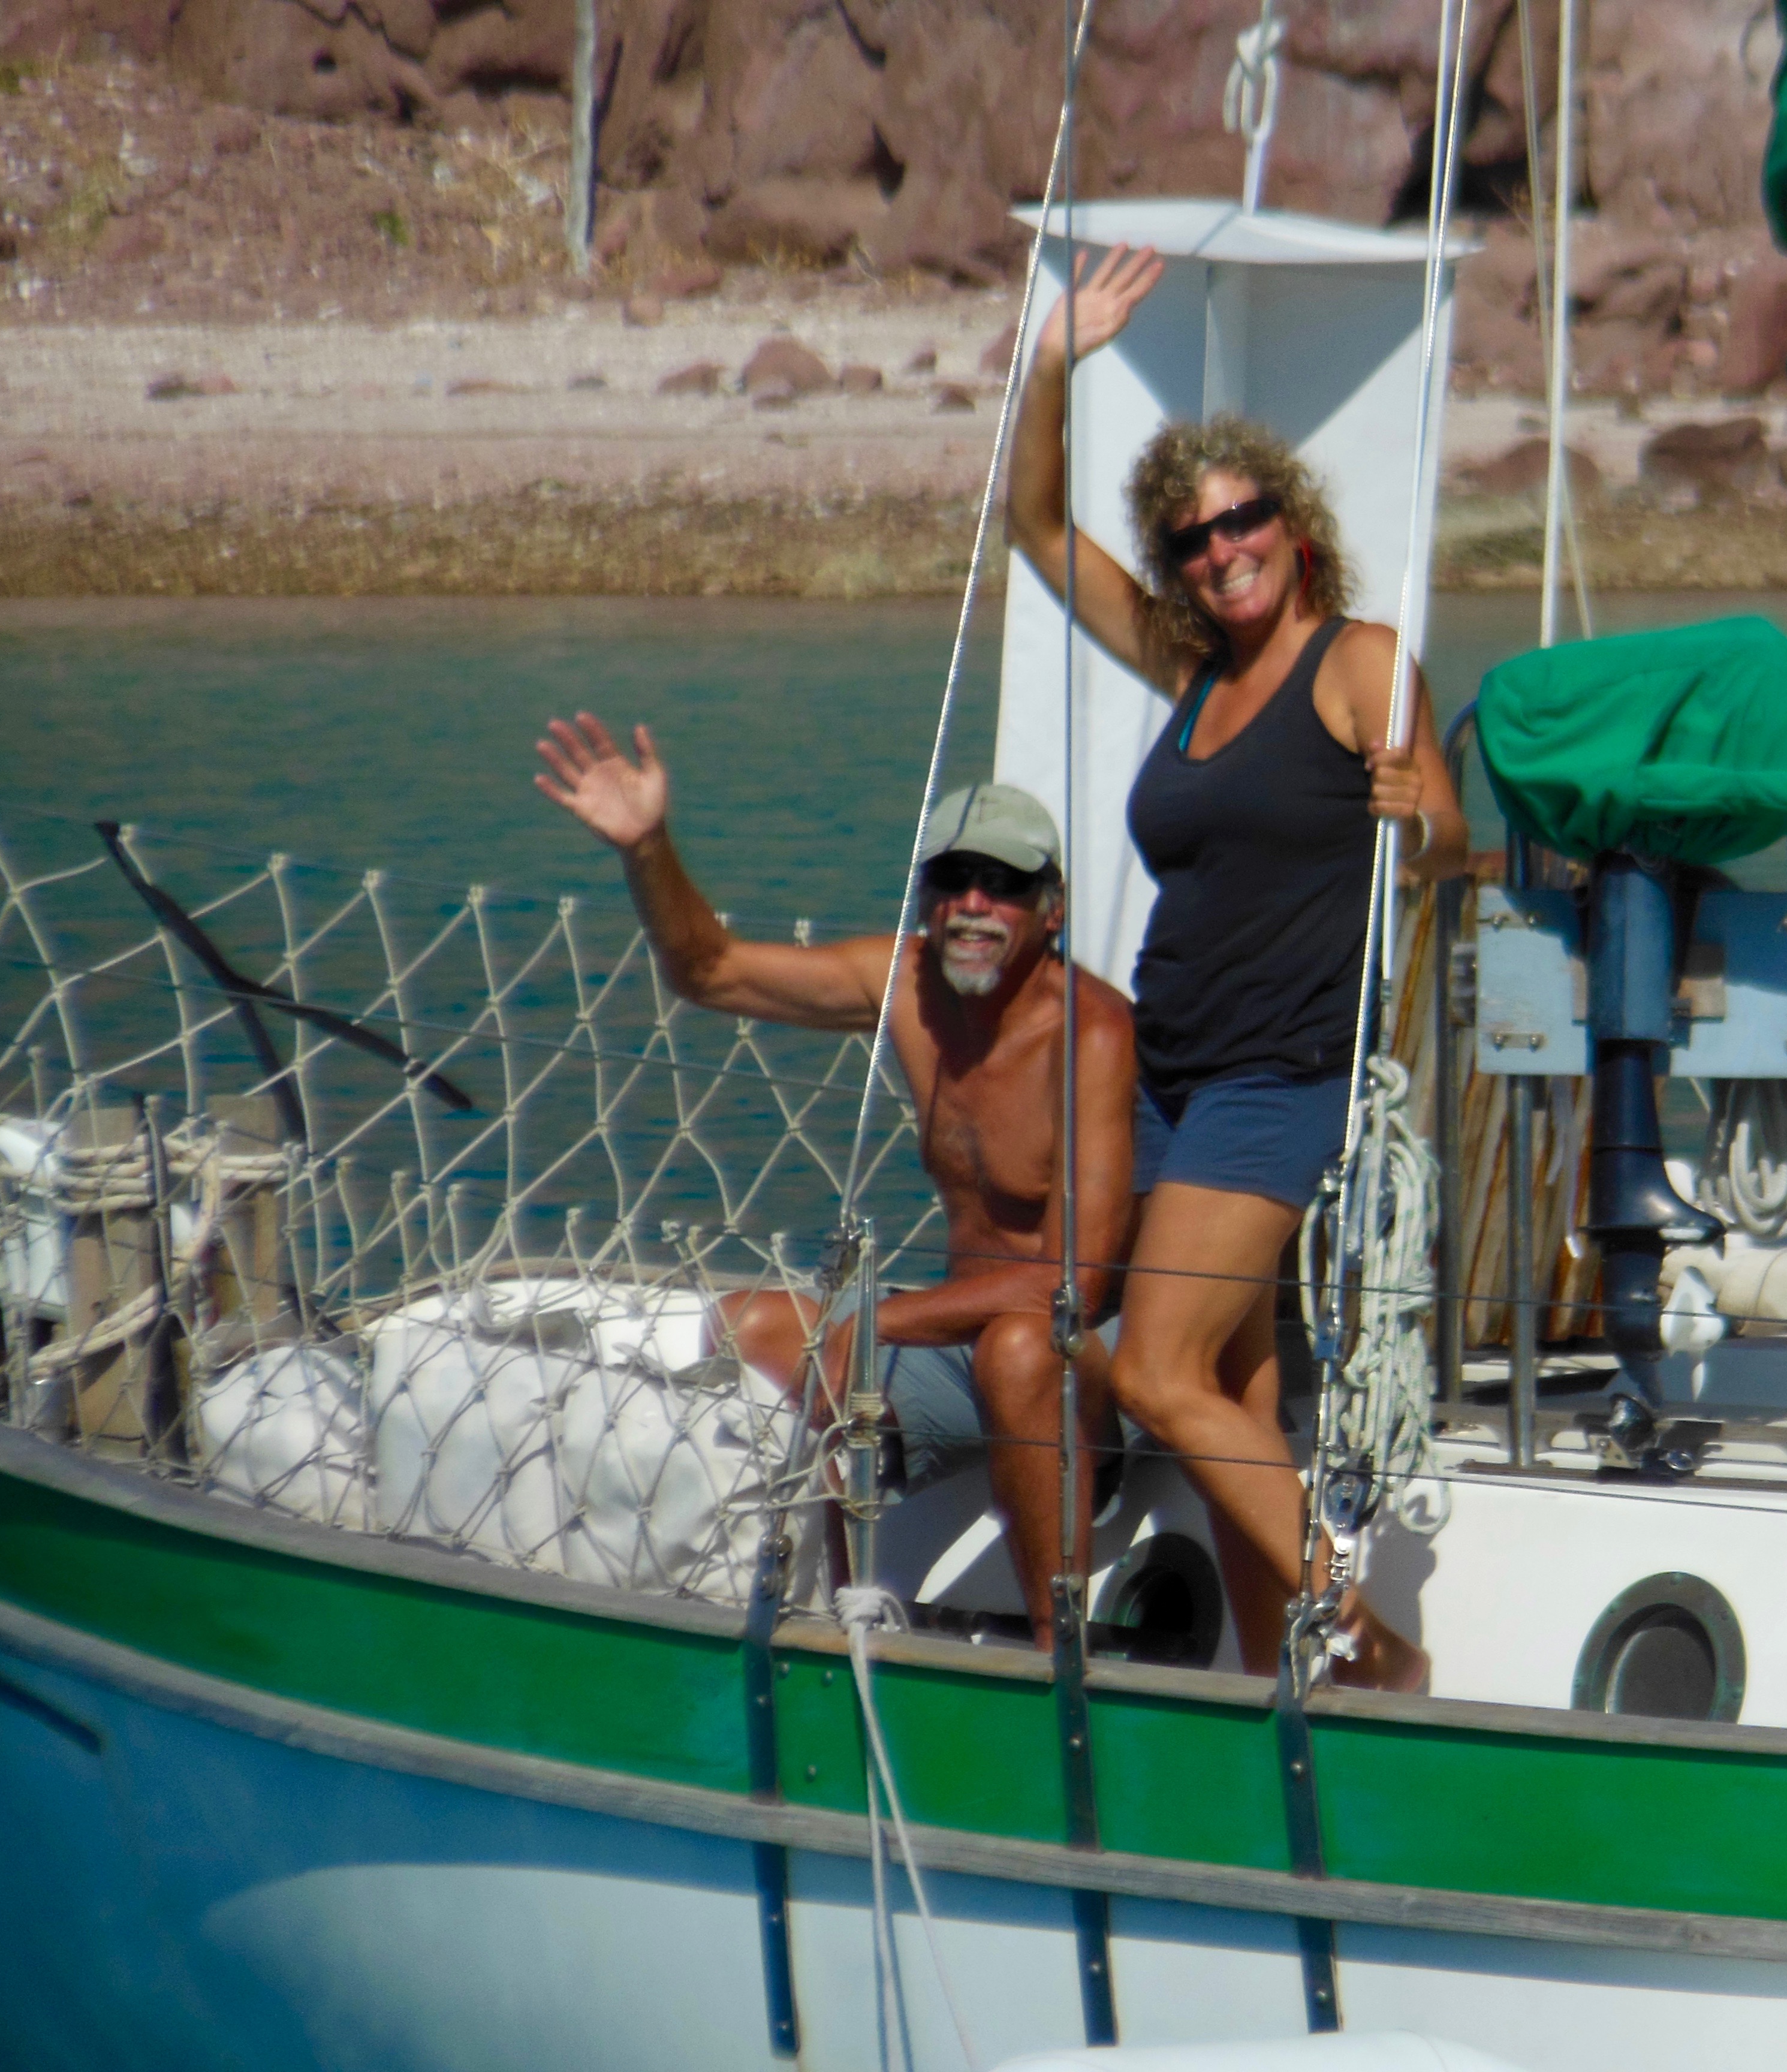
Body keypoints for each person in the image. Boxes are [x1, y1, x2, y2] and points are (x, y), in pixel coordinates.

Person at [1007, 243, 1469, 1691]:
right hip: (1169, 1072)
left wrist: (1422, 815)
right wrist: (1053, 361)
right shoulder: (1192, 670)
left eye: (1243, 519)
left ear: (1294, 526)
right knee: (1219, 1393)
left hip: (1281, 1078)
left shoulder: (1358, 662)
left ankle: (1370, 1640)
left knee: (1153, 1370)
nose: (1223, 550)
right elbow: (1032, 525)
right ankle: (1277, 1692)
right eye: (1194, 539)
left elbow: (1446, 841)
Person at [534, 718, 1137, 1651]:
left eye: (1005, 885)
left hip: (1076, 1360)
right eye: (952, 881)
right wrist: (647, 847)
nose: (973, 906)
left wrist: (886, 1320)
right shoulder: (906, 984)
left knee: (1017, 1351)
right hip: (958, 1341)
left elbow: (1077, 1287)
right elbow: (709, 971)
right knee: (752, 1326)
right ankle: (834, 1621)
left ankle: (1063, 1662)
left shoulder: (1093, 1034)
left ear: (1051, 910)